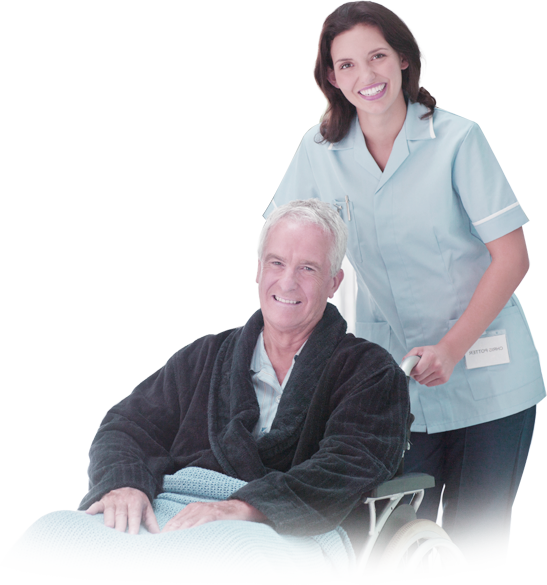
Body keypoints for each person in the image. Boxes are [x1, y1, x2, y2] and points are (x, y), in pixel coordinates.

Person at [266, 3, 546, 585]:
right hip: (395, 377)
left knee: (473, 543)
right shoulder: (320, 150)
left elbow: (512, 257)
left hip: (488, 372)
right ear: (332, 77)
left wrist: (451, 347)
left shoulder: (456, 140)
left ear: (403, 60)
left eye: (377, 56)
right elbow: (286, 239)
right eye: (347, 64)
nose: (365, 75)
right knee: (385, 540)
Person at [0, 200, 409, 585]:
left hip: (289, 528)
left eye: (307, 268)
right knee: (53, 535)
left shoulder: (369, 371)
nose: (287, 281)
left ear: (334, 282)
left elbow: (351, 462)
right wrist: (125, 484)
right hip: (174, 508)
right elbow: (128, 425)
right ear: (259, 271)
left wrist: (246, 507)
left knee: (226, 560)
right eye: (276, 262)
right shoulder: (208, 355)